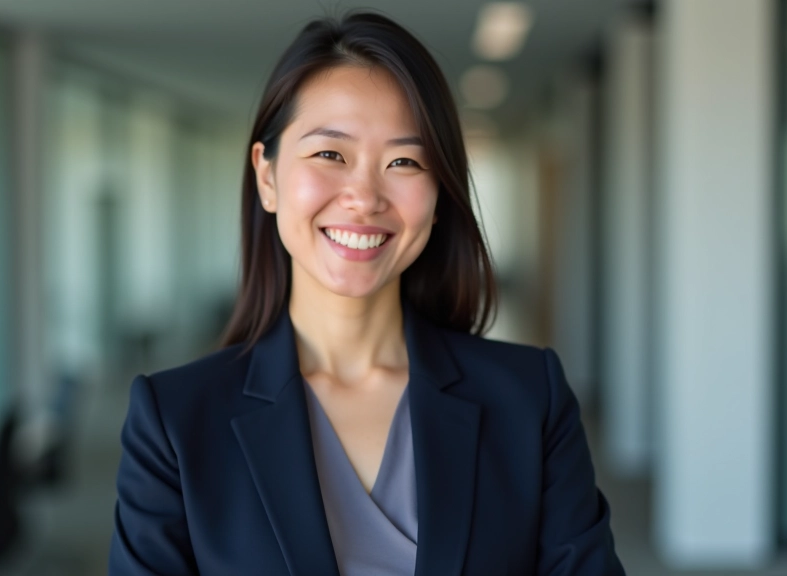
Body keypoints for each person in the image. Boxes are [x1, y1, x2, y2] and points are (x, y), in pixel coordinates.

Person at [109, 11, 625, 576]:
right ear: (267, 176)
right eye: (330, 154)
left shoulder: (530, 400)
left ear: (439, 193)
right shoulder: (175, 422)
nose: (364, 196)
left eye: (404, 161)